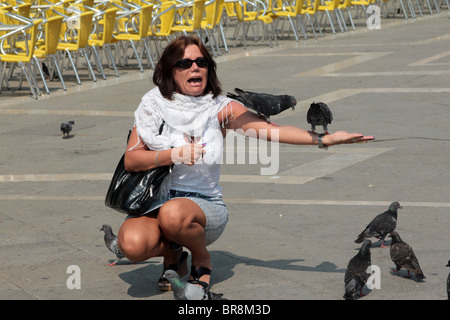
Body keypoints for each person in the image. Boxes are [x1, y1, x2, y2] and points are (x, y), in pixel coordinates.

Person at [117, 35, 375, 292]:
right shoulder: (152, 107)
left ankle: (201, 258)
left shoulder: (220, 108)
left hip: (203, 207)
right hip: (153, 202)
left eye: (201, 62)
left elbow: (272, 131)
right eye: (184, 64)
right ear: (169, 71)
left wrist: (325, 139)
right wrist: (174, 154)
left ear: (209, 68)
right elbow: (132, 159)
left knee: (173, 213)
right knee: (132, 244)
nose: (194, 67)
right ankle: (173, 254)